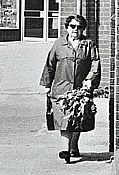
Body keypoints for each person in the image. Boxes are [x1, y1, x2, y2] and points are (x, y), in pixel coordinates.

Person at [40, 14, 100, 164]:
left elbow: (95, 64)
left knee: (78, 119)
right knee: (65, 120)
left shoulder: (89, 44)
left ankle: (73, 146)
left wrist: (89, 81)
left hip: (80, 89)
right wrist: (47, 85)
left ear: (83, 29)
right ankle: (65, 150)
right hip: (62, 88)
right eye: (72, 26)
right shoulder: (59, 44)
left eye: (79, 27)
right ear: (67, 28)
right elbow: (50, 64)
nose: (75, 30)